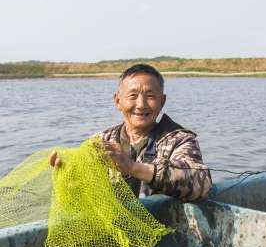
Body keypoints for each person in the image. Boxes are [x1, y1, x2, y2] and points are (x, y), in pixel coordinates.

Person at [49, 64, 212, 202]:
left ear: (162, 102)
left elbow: (201, 182)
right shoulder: (100, 141)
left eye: (150, 96)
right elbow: (82, 194)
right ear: (118, 101)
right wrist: (67, 178)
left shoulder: (180, 140)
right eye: (133, 96)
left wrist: (132, 167)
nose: (141, 104)